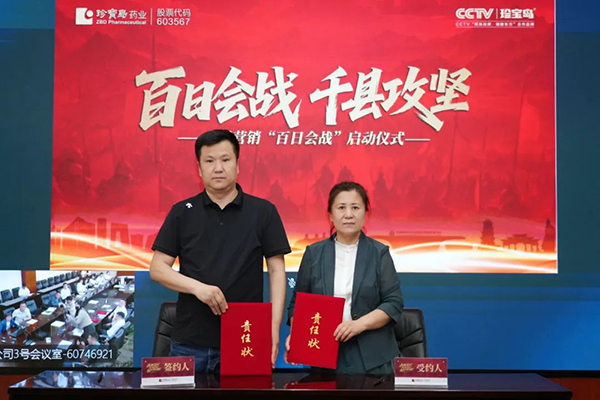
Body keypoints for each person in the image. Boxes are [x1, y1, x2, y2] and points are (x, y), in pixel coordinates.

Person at [150, 129, 290, 373]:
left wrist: (274, 326)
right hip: (189, 341)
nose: (218, 168)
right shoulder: (182, 212)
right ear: (199, 168)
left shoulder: (263, 212)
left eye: (225, 160)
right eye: (209, 161)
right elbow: (157, 268)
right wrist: (198, 288)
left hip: (245, 337)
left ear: (237, 164)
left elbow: (277, 271)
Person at [285, 182, 403, 374]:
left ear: (366, 213)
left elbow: (393, 303)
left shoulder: (379, 253)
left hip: (372, 358)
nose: (348, 214)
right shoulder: (314, 253)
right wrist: (297, 335)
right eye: (341, 208)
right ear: (330, 215)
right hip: (323, 352)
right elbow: (297, 304)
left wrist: (358, 325)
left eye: (355, 207)